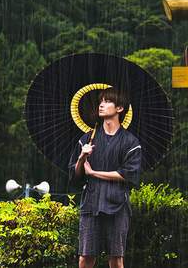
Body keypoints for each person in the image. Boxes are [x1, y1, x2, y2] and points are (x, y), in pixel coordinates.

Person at [68, 87, 142, 268]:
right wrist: (81, 157)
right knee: (85, 257)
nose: (101, 105)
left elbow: (127, 174)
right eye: (101, 101)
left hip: (117, 204)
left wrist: (93, 173)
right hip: (91, 203)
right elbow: (75, 176)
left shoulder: (130, 142)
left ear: (120, 108)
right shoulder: (87, 139)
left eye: (107, 101)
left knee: (116, 258)